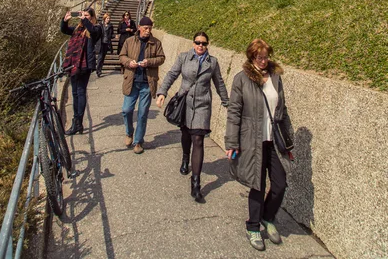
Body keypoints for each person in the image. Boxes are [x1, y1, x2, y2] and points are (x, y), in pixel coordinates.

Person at [225, 38, 294, 251]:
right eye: (259, 57)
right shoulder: (242, 79)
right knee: (257, 184)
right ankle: (253, 226)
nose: (263, 60)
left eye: (266, 56)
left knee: (280, 183)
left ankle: (267, 216)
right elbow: (234, 111)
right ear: (251, 56)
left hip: (273, 140)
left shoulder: (275, 77)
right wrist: (232, 142)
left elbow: (282, 111)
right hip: (250, 139)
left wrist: (289, 144)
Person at [157, 31, 229, 203]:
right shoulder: (184, 57)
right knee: (185, 134)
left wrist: (227, 101)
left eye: (204, 43)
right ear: (193, 43)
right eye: (197, 42)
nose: (200, 46)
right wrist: (162, 92)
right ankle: (185, 157)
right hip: (185, 103)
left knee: (198, 139)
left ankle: (195, 184)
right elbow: (172, 74)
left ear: (207, 45)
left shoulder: (213, 63)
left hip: (203, 104)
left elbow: (219, 83)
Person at [120, 16, 165, 154]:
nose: (147, 31)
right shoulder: (129, 41)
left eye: (150, 29)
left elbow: (161, 58)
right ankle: (129, 133)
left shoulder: (155, 43)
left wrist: (149, 62)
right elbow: (122, 56)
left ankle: (138, 142)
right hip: (132, 81)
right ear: (139, 27)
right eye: (145, 28)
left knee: (142, 113)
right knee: (126, 110)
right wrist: (129, 63)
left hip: (147, 82)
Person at [61, 8, 101, 134]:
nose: (84, 17)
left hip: (84, 64)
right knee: (75, 93)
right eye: (83, 15)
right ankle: (76, 121)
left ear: (92, 17)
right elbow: (65, 30)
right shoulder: (78, 29)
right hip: (73, 64)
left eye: (87, 15)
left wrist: (85, 20)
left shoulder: (96, 28)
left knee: (80, 91)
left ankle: (78, 122)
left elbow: (94, 32)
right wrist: (64, 21)